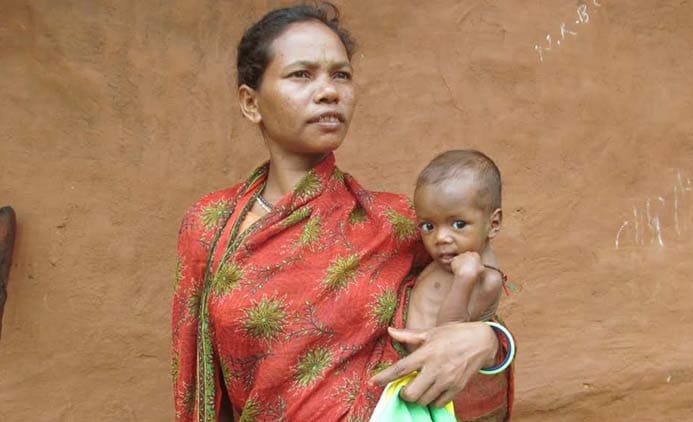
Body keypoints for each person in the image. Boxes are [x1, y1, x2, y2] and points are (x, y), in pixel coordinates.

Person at [172, 3, 513, 421]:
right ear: (250, 102)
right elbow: (200, 381)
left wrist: (486, 340)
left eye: (341, 75)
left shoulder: (398, 223)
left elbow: (476, 304)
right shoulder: (210, 225)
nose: (329, 91)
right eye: (302, 74)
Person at [406, 150, 506, 332]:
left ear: (493, 224)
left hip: (433, 356)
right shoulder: (449, 256)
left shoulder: (487, 280)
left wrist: (464, 279)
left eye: (459, 224)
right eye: (428, 226)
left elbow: (449, 332)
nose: (440, 238)